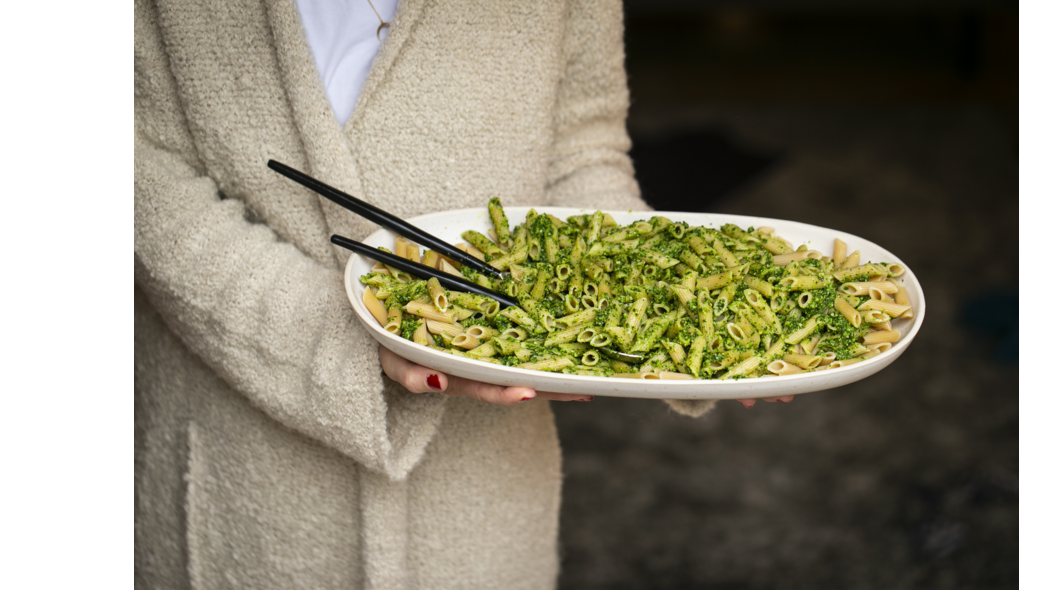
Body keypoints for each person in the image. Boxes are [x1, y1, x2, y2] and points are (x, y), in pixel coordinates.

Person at [134, 0, 789, 587]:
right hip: (236, 476)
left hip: (481, 497)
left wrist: (675, 321)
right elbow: (147, 174)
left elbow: (578, 154)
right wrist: (339, 332)